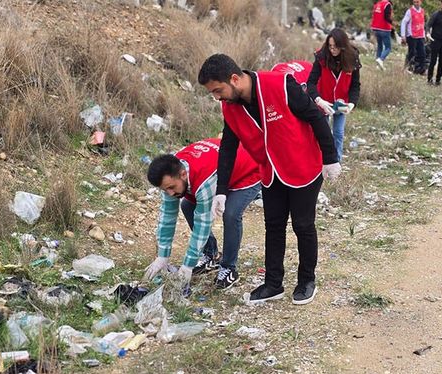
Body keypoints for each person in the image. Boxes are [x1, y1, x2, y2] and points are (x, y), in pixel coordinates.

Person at [198, 54, 341, 305]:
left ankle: (306, 280)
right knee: (273, 227)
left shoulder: (280, 85)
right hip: (270, 171)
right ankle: (273, 284)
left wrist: (331, 158)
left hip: (303, 166)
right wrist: (222, 190)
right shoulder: (230, 106)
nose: (217, 97)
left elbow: (315, 117)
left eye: (218, 90)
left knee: (303, 225)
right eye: (213, 93)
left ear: (234, 79)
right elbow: (229, 147)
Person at [144, 138, 261, 290]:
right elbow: (167, 217)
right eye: (165, 189)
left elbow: (202, 224)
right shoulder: (171, 174)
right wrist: (162, 257)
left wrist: (188, 265)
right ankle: (210, 255)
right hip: (222, 170)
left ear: (183, 174)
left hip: (248, 170)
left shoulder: (204, 180)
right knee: (187, 205)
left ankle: (229, 267)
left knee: (230, 214)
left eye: (172, 188)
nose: (170, 193)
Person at [307, 28, 361, 162]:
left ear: (343, 46)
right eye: (330, 46)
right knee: (322, 133)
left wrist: (351, 104)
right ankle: (320, 162)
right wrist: (319, 101)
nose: (332, 50)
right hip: (323, 102)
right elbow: (311, 83)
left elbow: (355, 85)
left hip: (341, 104)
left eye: (336, 47)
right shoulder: (321, 57)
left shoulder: (352, 58)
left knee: (338, 133)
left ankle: (336, 163)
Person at [400, 0, 427, 74]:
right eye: (414, 2)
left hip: (420, 35)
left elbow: (422, 23)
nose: (416, 4)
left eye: (417, 2)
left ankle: (421, 70)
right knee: (412, 52)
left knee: (422, 53)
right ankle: (407, 67)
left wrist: (424, 35)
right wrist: (403, 36)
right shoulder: (410, 11)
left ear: (421, 2)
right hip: (412, 36)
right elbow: (404, 22)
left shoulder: (422, 11)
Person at [370, 0, 394, 70]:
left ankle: (378, 65)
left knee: (380, 46)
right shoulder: (387, 4)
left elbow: (374, 15)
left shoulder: (378, 4)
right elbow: (387, 17)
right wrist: (392, 23)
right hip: (384, 28)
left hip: (376, 28)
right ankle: (381, 59)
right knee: (388, 47)